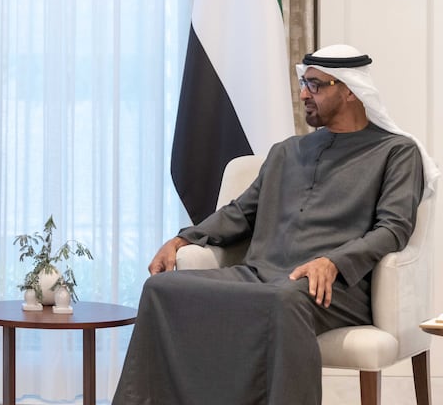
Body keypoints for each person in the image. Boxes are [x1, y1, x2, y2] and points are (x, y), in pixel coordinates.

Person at [112, 44, 439, 405]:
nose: (303, 94)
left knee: (284, 298)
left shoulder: (396, 152)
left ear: (349, 90)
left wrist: (334, 262)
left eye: (315, 85)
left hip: (333, 288)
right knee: (161, 290)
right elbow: (240, 213)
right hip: (260, 274)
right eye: (303, 83)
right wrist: (181, 239)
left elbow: (393, 229)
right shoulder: (286, 151)